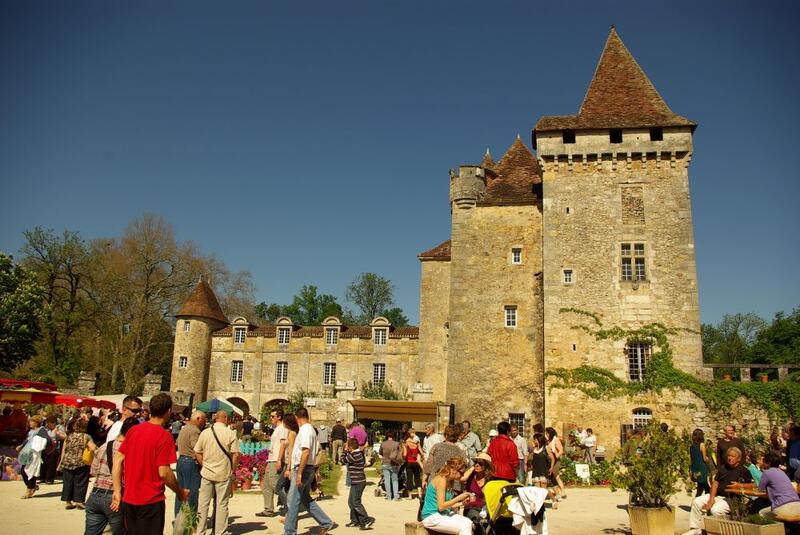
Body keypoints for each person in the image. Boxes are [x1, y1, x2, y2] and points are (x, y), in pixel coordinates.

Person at [111, 393, 189, 535]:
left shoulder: (133, 430)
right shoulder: (164, 436)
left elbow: (117, 460)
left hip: (130, 498)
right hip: (150, 500)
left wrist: (117, 490)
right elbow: (164, 472)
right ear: (168, 411)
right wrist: (180, 492)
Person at [85, 417, 140, 535]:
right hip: (115, 496)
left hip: (95, 494)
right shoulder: (129, 450)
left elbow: (93, 470)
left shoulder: (105, 446)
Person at [283, 407, 334, 535]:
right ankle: (325, 522)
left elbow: (305, 452)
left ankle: (289, 531)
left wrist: (299, 472)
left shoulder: (305, 430)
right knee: (305, 499)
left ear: (297, 417)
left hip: (303, 468)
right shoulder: (310, 430)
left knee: (293, 500)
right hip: (308, 467)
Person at [683, 446, 752, 535]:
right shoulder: (723, 468)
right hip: (717, 495)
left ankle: (718, 531)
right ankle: (695, 529)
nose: (730, 458)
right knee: (696, 501)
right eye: (729, 456)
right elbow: (715, 483)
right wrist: (711, 499)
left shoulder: (743, 470)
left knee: (715, 510)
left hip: (732, 499)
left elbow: (752, 485)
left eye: (733, 456)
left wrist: (739, 485)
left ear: (738, 459)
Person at [195, 410, 240, 535]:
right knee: (222, 504)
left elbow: (197, 451)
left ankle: (200, 531)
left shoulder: (205, 433)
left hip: (207, 472)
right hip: (223, 472)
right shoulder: (230, 433)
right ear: (225, 418)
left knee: (203, 504)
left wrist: (204, 464)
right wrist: (232, 470)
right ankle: (220, 531)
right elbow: (236, 455)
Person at [421, 457, 474, 535]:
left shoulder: (449, 481)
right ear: (453, 470)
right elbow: (441, 506)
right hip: (431, 516)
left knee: (469, 522)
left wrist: (462, 503)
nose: (462, 476)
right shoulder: (441, 480)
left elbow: (448, 505)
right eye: (461, 473)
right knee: (465, 525)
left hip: (442, 514)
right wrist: (459, 497)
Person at [174, 410, 206, 516]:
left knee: (181, 492)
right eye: (203, 420)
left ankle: (178, 517)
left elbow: (177, 443)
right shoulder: (194, 431)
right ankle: (191, 519)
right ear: (198, 419)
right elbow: (197, 448)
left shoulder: (184, 428)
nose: (204, 423)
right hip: (190, 463)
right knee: (192, 493)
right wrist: (203, 463)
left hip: (181, 460)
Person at [59, 418, 96, 509]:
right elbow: (93, 448)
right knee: (81, 482)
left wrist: (61, 462)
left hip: (67, 462)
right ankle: (79, 501)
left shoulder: (69, 436)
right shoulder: (86, 437)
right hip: (80, 463)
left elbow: (64, 449)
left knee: (68, 482)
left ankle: (68, 502)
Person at [257, 408, 287, 518]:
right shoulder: (277, 428)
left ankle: (290, 504)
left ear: (279, 417)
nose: (271, 418)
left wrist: (279, 460)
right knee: (266, 485)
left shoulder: (282, 428)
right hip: (271, 459)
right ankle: (268, 509)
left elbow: (283, 444)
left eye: (272, 416)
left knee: (276, 485)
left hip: (276, 460)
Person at [755, 451, 800, 521]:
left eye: (764, 461)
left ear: (768, 463)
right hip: (797, 504)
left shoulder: (767, 472)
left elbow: (760, 490)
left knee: (761, 513)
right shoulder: (782, 472)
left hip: (782, 506)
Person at [343, 438, 374, 529]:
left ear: (350, 447)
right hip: (357, 481)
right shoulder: (358, 453)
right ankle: (355, 520)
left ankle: (365, 520)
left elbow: (343, 460)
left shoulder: (355, 455)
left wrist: (345, 451)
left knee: (356, 502)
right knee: (351, 502)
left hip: (358, 482)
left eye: (348, 446)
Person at [461, 452, 494, 535]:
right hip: (471, 507)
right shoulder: (471, 475)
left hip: (484, 509)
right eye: (475, 462)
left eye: (480, 463)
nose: (477, 465)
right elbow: (462, 478)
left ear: (486, 466)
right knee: (476, 518)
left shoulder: (489, 479)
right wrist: (473, 467)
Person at [18, 415, 50, 499]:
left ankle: (28, 491)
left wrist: (38, 446)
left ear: (36, 423)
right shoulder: (31, 431)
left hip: (35, 455)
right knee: (23, 471)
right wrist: (21, 446)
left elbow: (46, 440)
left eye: (32, 422)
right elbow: (28, 440)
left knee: (31, 471)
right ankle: (32, 486)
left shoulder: (41, 430)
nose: (30, 423)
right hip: (28, 454)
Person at [41, 414, 65, 484]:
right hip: (46, 447)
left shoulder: (59, 428)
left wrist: (57, 433)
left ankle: (50, 479)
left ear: (53, 422)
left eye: (48, 423)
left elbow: (64, 436)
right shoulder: (46, 428)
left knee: (52, 464)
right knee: (44, 463)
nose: (47, 424)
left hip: (55, 448)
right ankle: (43, 478)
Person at [545, 427, 567, 498]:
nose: (546, 434)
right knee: (556, 477)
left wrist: (555, 457)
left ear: (550, 433)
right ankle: (560, 492)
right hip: (551, 461)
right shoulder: (550, 440)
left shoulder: (556, 440)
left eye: (547, 433)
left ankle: (561, 492)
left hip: (556, 461)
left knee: (556, 477)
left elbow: (561, 451)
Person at [379, 431, 402, 500]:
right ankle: (396, 496)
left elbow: (380, 453)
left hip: (385, 463)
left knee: (387, 480)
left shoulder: (383, 444)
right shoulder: (396, 444)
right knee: (395, 480)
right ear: (394, 436)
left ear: (387, 436)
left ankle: (388, 496)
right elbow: (399, 454)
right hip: (394, 463)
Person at [690, 428, 711, 496]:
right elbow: (704, 459)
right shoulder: (702, 445)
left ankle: (699, 499)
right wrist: (708, 459)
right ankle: (708, 498)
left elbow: (692, 458)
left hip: (695, 468)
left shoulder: (691, 446)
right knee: (705, 485)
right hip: (702, 468)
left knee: (700, 486)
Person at [404, 431, 424, 499]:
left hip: (409, 462)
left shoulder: (406, 443)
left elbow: (405, 454)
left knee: (409, 478)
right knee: (417, 478)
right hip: (416, 462)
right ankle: (420, 494)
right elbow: (421, 452)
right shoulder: (417, 443)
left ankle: (410, 496)